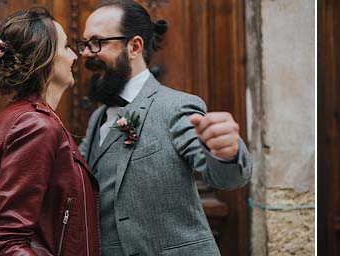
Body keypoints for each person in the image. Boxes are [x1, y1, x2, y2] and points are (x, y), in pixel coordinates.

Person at [76, 1, 252, 254]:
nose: (86, 53)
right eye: (84, 44)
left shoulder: (176, 106)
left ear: (134, 46)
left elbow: (227, 179)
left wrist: (227, 154)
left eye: (97, 42)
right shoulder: (96, 118)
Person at [0, 7, 100, 255]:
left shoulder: (17, 116)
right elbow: (9, 242)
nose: (75, 56)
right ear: (46, 58)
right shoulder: (36, 125)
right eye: (65, 47)